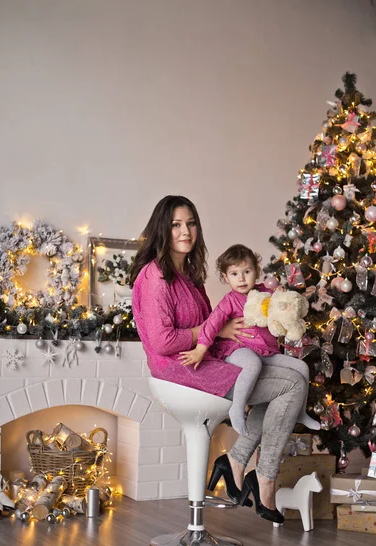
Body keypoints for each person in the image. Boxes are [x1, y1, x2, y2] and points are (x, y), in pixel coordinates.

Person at [130, 195, 310, 524]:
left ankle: (238, 461)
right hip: (183, 370)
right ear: (162, 229)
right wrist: (209, 331)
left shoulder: (187, 275)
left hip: (205, 361)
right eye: (176, 225)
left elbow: (214, 325)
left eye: (191, 223)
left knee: (292, 377)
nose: (185, 231)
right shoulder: (156, 275)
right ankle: (260, 475)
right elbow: (162, 340)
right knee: (291, 386)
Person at [178, 243, 320, 436]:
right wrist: (200, 349)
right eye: (234, 274)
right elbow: (211, 324)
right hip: (236, 349)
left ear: (256, 272)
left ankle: (300, 413)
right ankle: (237, 408)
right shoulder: (229, 301)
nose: (242, 278)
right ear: (226, 277)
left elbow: (282, 310)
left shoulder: (266, 295)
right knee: (252, 364)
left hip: (265, 351)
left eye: (247, 271)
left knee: (301, 368)